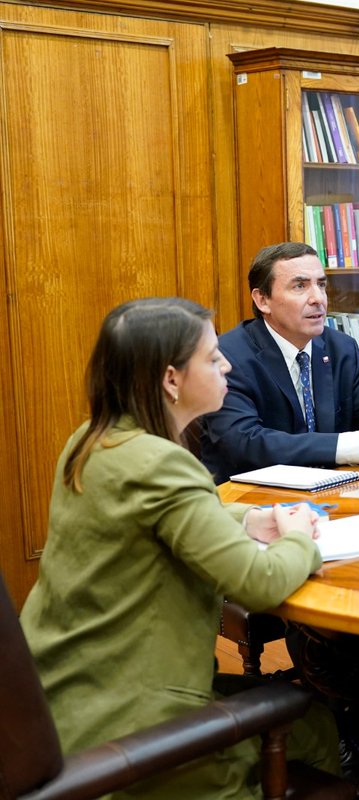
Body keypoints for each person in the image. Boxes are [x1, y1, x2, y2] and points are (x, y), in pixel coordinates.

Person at [19, 297, 340, 799]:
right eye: (213, 358)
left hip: (59, 697)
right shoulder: (163, 464)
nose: (228, 364)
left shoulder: (92, 441)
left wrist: (253, 519)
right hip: (135, 723)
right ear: (171, 380)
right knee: (320, 729)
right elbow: (259, 585)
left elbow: (184, 509)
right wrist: (300, 537)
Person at [200, 241, 359, 483]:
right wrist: (357, 445)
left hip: (331, 491)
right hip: (251, 500)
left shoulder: (341, 348)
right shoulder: (228, 356)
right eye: (300, 286)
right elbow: (246, 443)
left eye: (321, 285)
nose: (318, 298)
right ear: (262, 300)